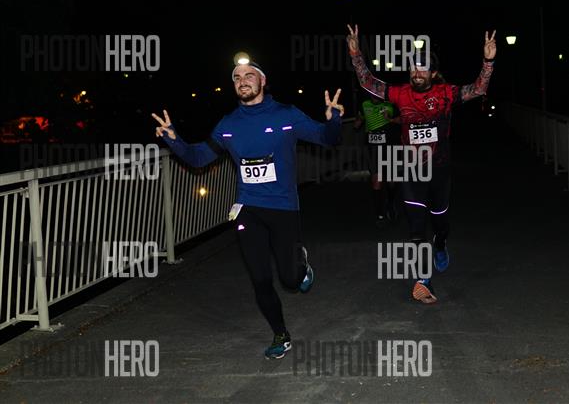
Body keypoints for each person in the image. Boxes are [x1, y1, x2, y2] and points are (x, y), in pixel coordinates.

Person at [151, 58, 344, 358]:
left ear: (262, 81)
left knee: (291, 280)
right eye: (237, 77)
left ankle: (301, 266)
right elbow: (199, 158)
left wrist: (333, 121)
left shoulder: (286, 114)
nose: (242, 81)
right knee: (260, 278)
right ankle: (280, 334)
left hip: (283, 207)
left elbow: (326, 139)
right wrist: (175, 140)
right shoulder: (228, 124)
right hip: (247, 209)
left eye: (249, 75)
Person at [346, 24, 496, 304]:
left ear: (433, 73)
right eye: (413, 68)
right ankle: (423, 279)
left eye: (423, 68)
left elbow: (478, 89)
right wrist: (356, 55)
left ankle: (440, 243)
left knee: (440, 223)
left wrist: (488, 60)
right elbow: (369, 83)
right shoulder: (400, 93)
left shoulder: (446, 93)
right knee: (416, 228)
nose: (417, 72)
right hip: (412, 171)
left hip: (440, 170)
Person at [353, 94, 401, 226]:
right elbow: (359, 121)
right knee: (376, 180)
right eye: (371, 93)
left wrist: (390, 119)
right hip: (373, 149)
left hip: (389, 147)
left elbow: (402, 120)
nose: (374, 96)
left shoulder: (390, 104)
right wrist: (357, 122)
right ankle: (380, 214)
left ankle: (390, 203)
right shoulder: (364, 104)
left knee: (391, 181)